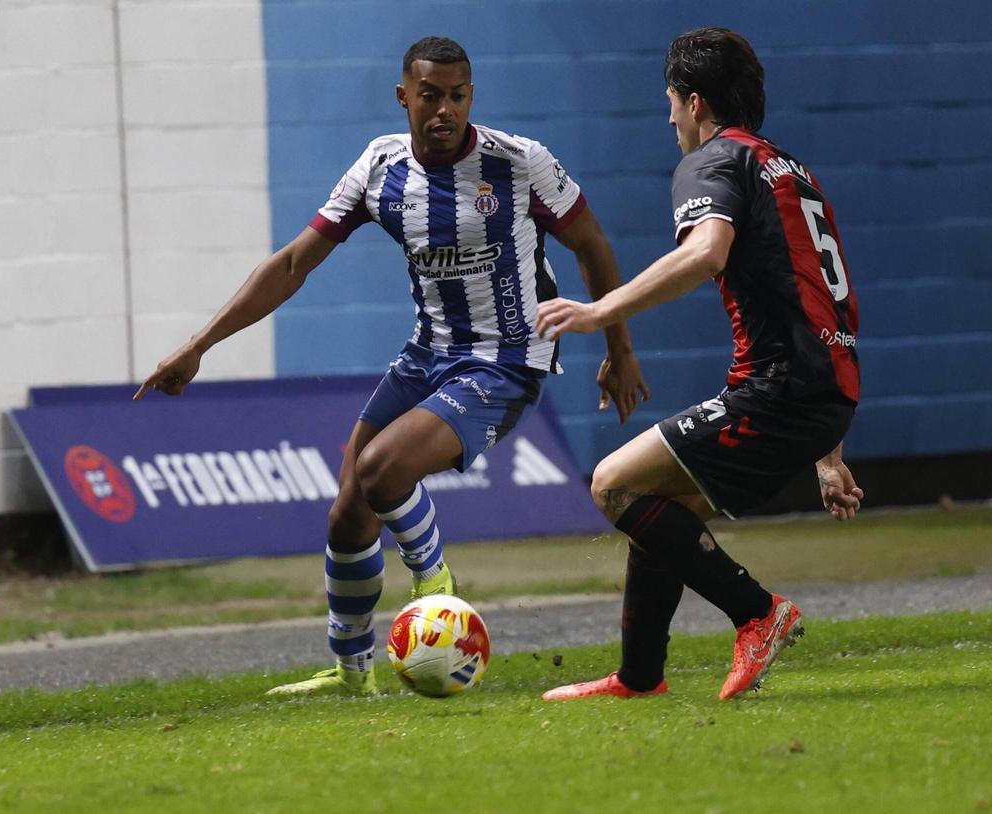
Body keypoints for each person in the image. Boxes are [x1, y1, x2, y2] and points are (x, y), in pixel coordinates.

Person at [134, 36, 648, 696]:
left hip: (506, 360)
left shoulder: (518, 163)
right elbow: (293, 263)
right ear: (404, 96)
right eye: (430, 96)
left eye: (458, 97)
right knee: (348, 509)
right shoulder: (380, 167)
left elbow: (592, 246)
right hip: (428, 353)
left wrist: (619, 349)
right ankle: (353, 674)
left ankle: (436, 583)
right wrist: (200, 345)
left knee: (381, 470)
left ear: (471, 98)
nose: (445, 110)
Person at [536, 27, 863, 701]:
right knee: (665, 505)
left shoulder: (713, 161)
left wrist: (600, 312)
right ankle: (639, 677)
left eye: (671, 103)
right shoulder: (788, 169)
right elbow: (819, 307)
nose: (668, 118)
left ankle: (756, 613)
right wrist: (829, 455)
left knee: (613, 485)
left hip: (779, 390)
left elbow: (705, 253)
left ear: (693, 102)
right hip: (827, 391)